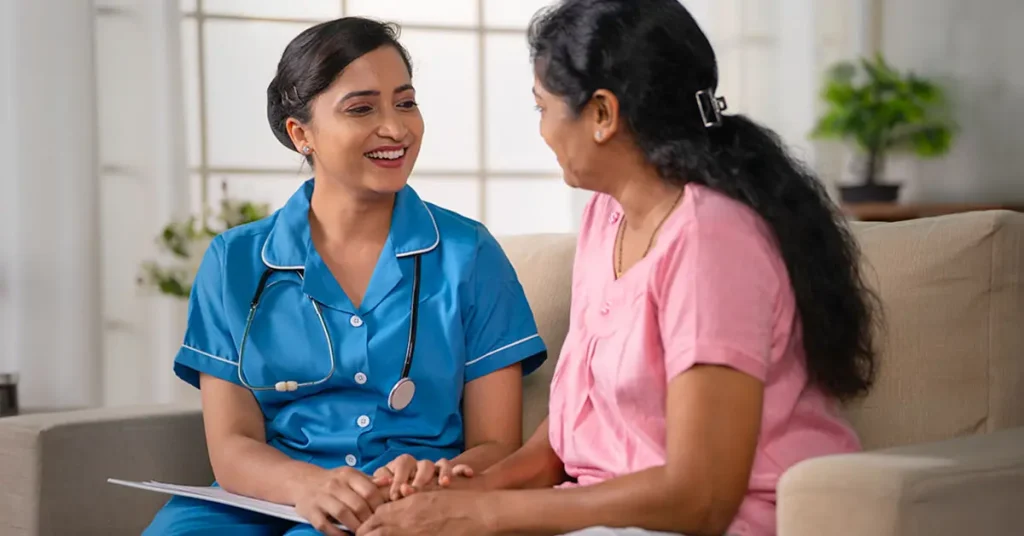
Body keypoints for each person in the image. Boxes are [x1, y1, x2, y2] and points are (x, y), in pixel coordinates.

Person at [356, 1, 879, 535]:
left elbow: (701, 498)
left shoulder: (711, 240)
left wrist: (488, 515)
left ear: (602, 114)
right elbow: (563, 440)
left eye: (544, 108)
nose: (542, 132)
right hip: (599, 517)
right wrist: (458, 493)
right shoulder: (607, 218)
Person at [143, 16, 547, 536]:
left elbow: (497, 444)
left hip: (401, 499)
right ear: (300, 133)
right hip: (260, 499)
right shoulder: (234, 261)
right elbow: (232, 445)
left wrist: (438, 479)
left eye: (405, 102)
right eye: (361, 108)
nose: (396, 129)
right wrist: (306, 485)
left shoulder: (469, 255)